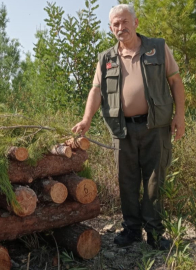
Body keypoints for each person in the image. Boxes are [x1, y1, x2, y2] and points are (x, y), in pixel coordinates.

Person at [72, 4, 185, 250]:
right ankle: (132, 230)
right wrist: (86, 118)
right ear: (111, 28)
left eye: (124, 22)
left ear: (135, 22)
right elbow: (96, 90)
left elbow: (175, 81)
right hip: (122, 130)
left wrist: (180, 115)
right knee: (127, 181)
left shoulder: (158, 48)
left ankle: (155, 233)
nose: (120, 27)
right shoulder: (106, 58)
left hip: (156, 126)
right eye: (115, 24)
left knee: (155, 181)